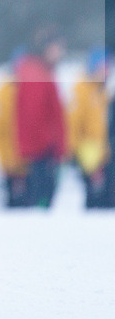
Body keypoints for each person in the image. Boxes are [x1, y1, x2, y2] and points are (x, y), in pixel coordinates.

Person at [13, 27, 67, 208]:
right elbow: (34, 117)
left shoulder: (41, 72)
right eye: (57, 47)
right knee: (40, 203)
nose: (60, 52)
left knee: (43, 201)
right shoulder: (35, 74)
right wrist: (50, 145)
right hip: (41, 152)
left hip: (43, 151)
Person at [66, 48, 111, 208]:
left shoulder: (101, 91)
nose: (106, 71)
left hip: (102, 154)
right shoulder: (82, 90)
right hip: (88, 155)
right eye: (102, 67)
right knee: (94, 199)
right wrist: (77, 155)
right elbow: (72, 125)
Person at [0, 49, 29, 207]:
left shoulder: (29, 89)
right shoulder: (4, 93)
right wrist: (4, 157)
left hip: (28, 162)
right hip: (11, 163)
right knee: (15, 207)